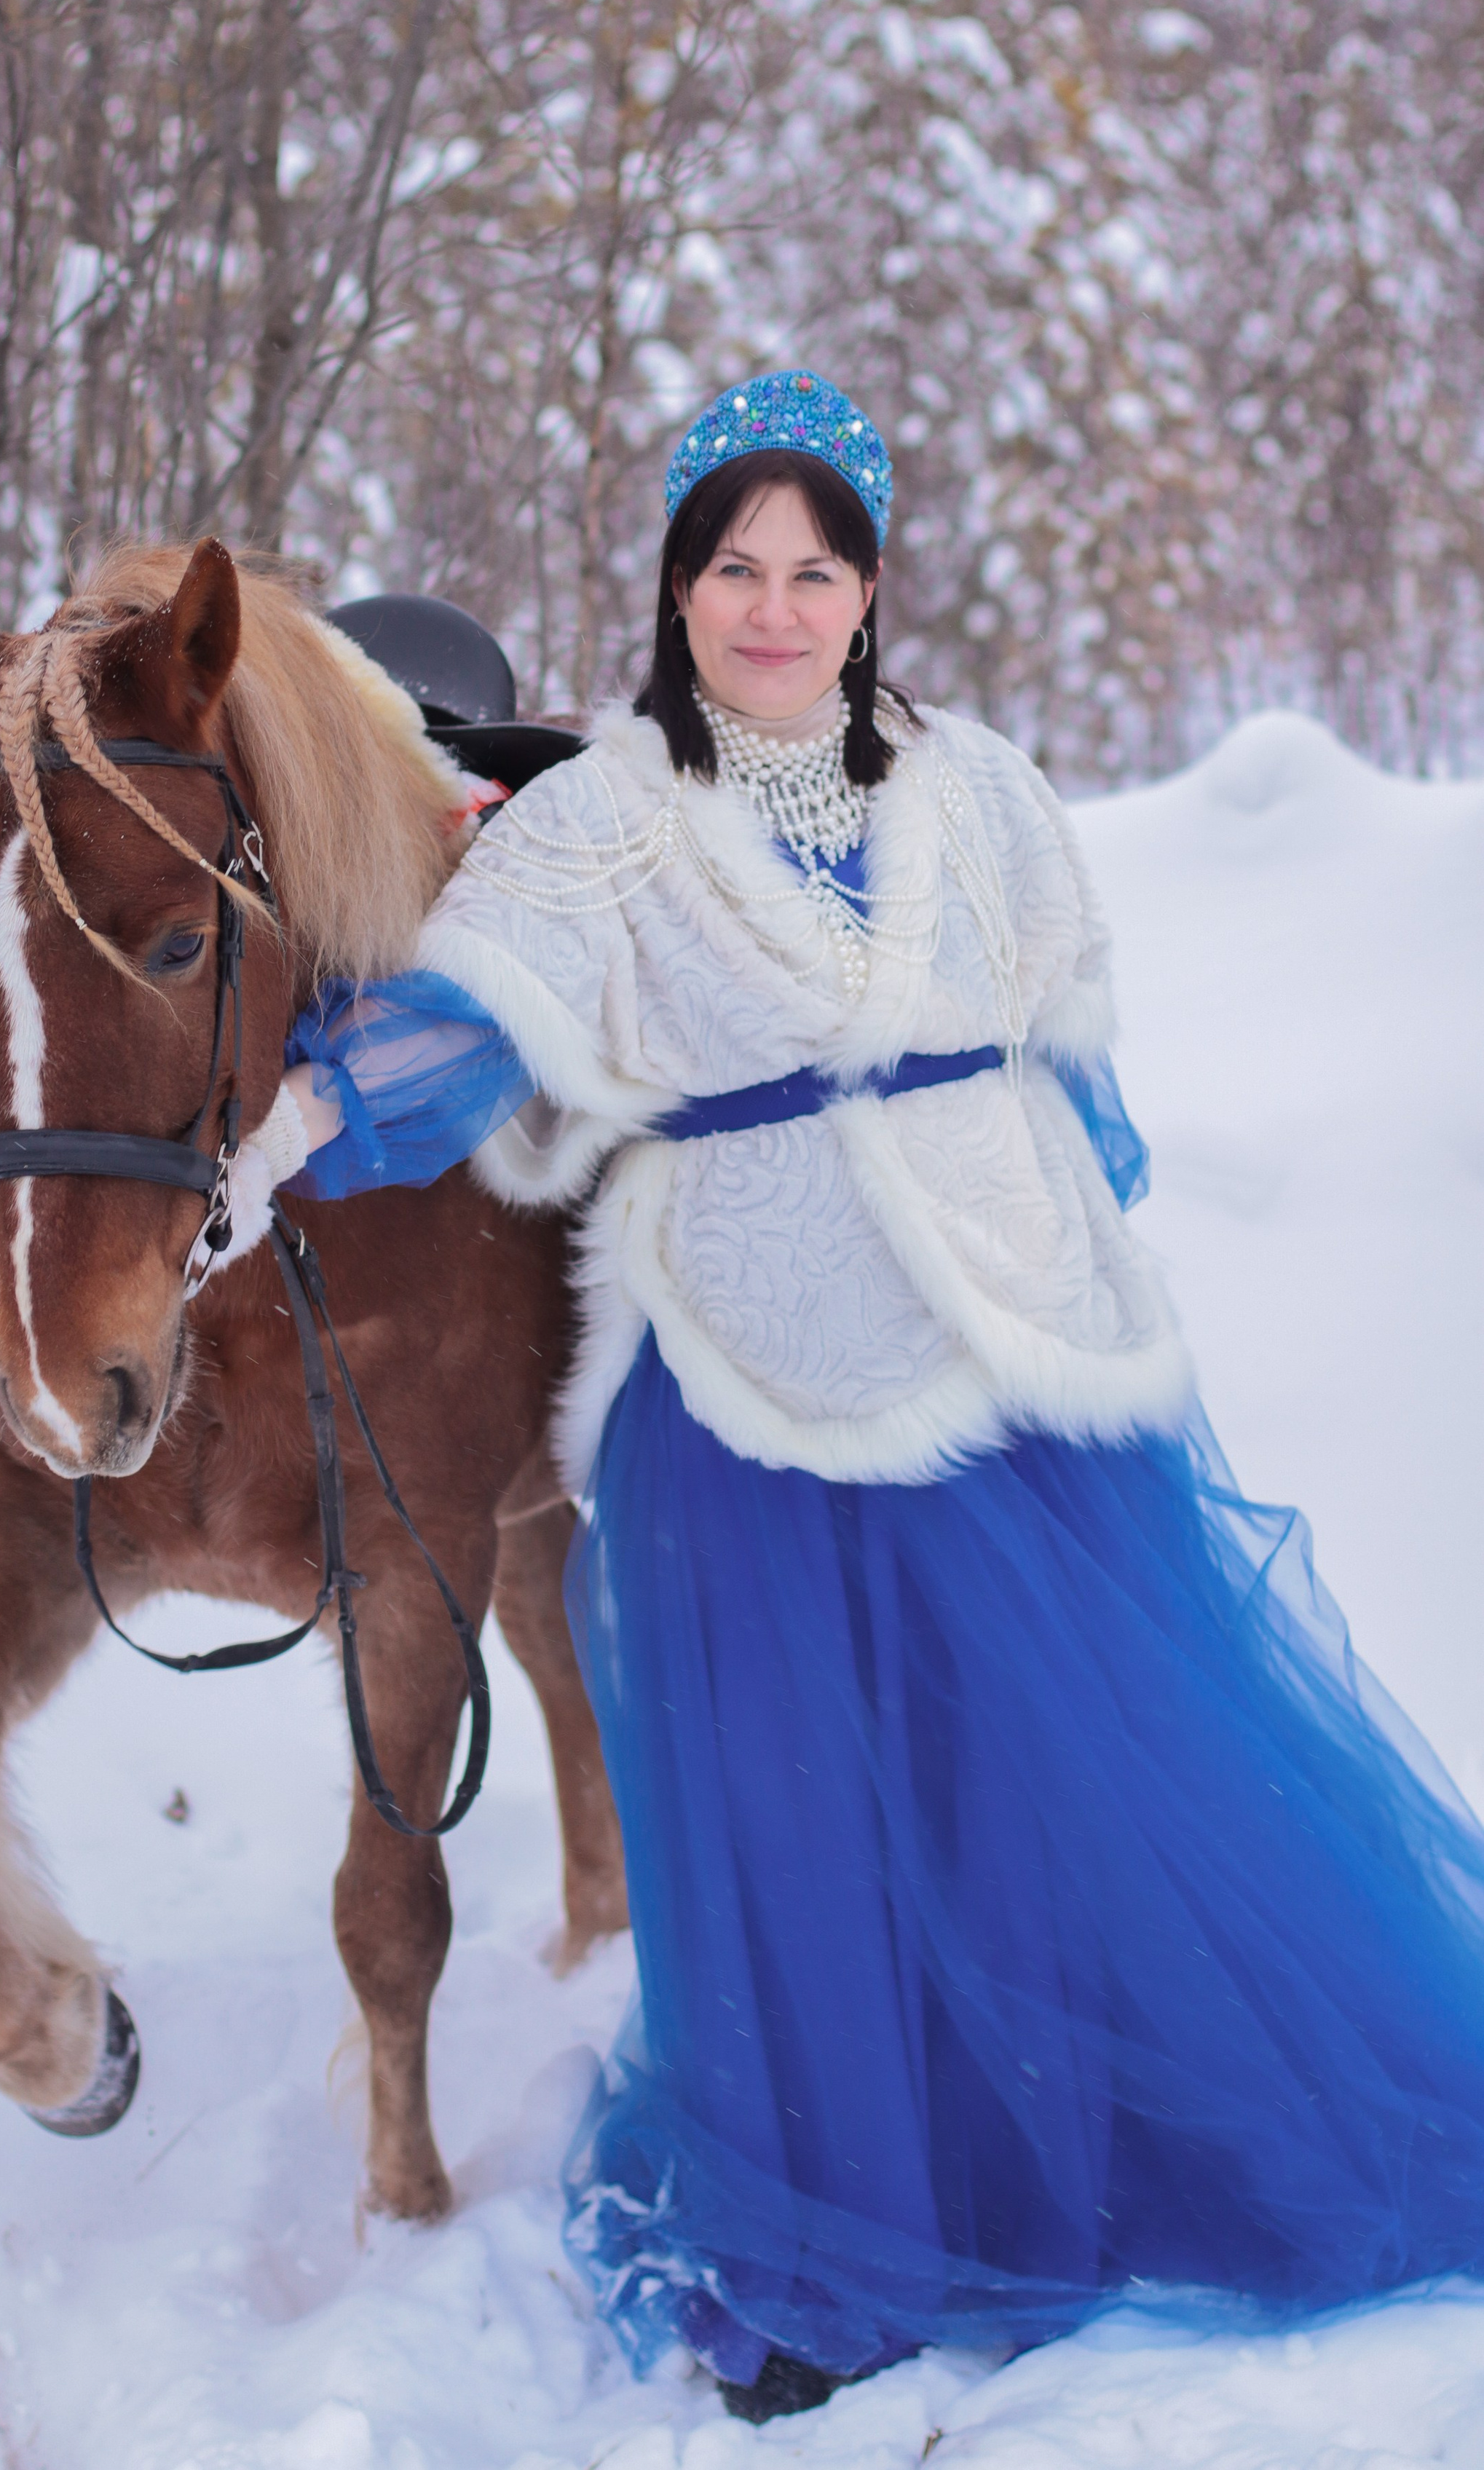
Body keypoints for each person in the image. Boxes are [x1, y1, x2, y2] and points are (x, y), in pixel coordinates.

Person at [269, 372, 1484, 2424]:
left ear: (869, 589)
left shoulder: (981, 787)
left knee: (1043, 1779)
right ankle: (841, 2234)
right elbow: (459, 1034)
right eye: (732, 566)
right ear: (675, 583)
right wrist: (272, 1133)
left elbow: (1077, 1076)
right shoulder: (602, 813)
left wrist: (1066, 1259)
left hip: (1014, 1363)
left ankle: (1091, 2152)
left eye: (814, 569)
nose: (772, 606)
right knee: (802, 1821)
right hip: (755, 1377)